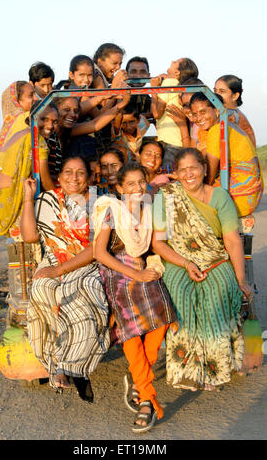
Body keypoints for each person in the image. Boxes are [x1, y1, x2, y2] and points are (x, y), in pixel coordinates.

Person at [152, 148, 251, 391]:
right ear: (175, 173)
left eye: (193, 168)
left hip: (215, 258)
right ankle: (186, 369)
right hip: (178, 259)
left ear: (204, 169)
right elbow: (158, 243)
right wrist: (186, 263)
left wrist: (241, 280)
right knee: (180, 294)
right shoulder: (164, 197)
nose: (188, 174)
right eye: (182, 170)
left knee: (217, 293)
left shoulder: (220, 196)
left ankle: (214, 366)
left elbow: (232, 240)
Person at [93, 162, 178, 432]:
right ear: (119, 188)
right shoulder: (111, 211)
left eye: (142, 182)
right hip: (117, 272)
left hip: (142, 266)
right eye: (130, 184)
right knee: (130, 329)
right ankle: (146, 398)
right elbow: (100, 253)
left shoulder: (151, 210)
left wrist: (150, 266)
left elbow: (155, 245)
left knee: (163, 315)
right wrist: (136, 274)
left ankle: (138, 373)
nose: (138, 188)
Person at [20, 155, 110, 399]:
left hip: (85, 262)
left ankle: (71, 367)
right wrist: (29, 198)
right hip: (52, 259)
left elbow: (95, 248)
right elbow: (29, 237)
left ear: (89, 178)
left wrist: (62, 271)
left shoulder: (102, 202)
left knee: (81, 290)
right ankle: (54, 365)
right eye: (68, 172)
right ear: (59, 178)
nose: (74, 177)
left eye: (80, 172)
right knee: (41, 289)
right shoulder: (47, 200)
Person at [0, 89, 54, 241]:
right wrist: (60, 199)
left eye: (54, 121)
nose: (50, 126)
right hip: (16, 202)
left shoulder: (17, 128)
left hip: (0, 199)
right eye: (44, 119)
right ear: (33, 117)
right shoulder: (38, 141)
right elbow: (44, 179)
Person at [189, 92, 263, 218]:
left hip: (239, 198)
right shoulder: (228, 126)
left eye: (203, 112)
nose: (198, 118)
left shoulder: (217, 130)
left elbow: (210, 175)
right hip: (251, 196)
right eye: (195, 114)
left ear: (217, 110)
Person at [151, 58, 199, 168]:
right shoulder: (179, 84)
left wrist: (153, 90)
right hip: (178, 139)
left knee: (166, 175)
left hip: (170, 141)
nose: (172, 61)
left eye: (175, 62)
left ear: (177, 72)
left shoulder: (169, 83)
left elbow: (156, 114)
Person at [54, 93, 130, 160]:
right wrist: (102, 97)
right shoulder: (47, 130)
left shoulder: (67, 130)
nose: (73, 114)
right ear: (55, 110)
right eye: (66, 110)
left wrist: (123, 103)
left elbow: (94, 124)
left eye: (76, 111)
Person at [0, 81, 38, 170]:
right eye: (30, 95)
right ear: (16, 101)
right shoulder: (24, 120)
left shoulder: (9, 123)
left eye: (34, 94)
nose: (36, 98)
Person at [214, 75, 256, 147]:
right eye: (215, 91)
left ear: (235, 96)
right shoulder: (233, 113)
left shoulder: (230, 115)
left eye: (222, 91)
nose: (216, 95)